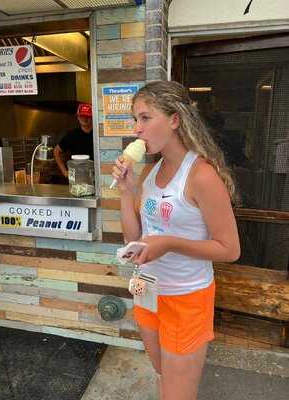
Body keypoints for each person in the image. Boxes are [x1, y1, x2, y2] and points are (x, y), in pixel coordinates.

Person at [112, 81, 240, 400]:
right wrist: (127, 194)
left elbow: (230, 249)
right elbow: (134, 237)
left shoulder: (201, 176)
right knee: (162, 378)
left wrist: (169, 243)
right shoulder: (149, 174)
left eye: (145, 118)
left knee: (177, 393)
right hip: (148, 291)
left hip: (186, 298)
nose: (136, 129)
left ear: (174, 120)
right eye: (134, 119)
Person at [54, 103, 94, 178]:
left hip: (95, 176)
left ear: (92, 117)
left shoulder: (97, 135)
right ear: (78, 117)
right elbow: (56, 151)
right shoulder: (72, 135)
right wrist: (64, 171)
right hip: (77, 177)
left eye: (87, 116)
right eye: (82, 116)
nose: (84, 118)